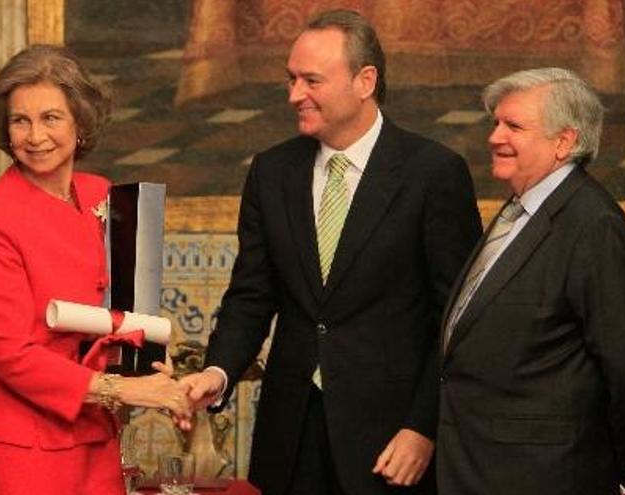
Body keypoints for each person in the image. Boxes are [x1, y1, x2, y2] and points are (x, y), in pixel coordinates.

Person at [179, 9, 482, 495]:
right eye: (291, 79)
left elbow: (457, 321)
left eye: (311, 80)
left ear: (365, 81)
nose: (294, 94)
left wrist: (424, 427)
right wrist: (218, 372)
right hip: (291, 436)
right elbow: (252, 295)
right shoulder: (271, 172)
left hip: (392, 443)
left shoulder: (433, 173)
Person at [0, 44, 191, 495]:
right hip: (21, 444)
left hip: (92, 430)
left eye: (51, 118)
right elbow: (10, 356)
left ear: (80, 122)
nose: (34, 136)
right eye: (19, 120)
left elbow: (125, 317)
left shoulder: (105, 195)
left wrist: (155, 375)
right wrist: (128, 392)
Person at [436, 68, 625, 495]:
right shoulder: (516, 209)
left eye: (514, 126)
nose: (494, 137)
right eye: (496, 123)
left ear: (563, 142)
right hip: (479, 465)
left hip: (545, 475)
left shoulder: (593, 224)